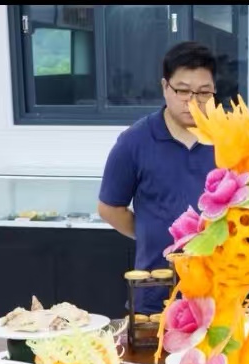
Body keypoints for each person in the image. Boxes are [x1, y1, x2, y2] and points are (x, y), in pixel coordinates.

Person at [98, 42, 218, 314]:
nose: (193, 101)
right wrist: (150, 233)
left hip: (219, 292)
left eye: (203, 92)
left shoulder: (228, 139)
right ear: (165, 87)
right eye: (183, 90)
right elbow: (110, 208)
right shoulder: (134, 142)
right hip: (154, 294)